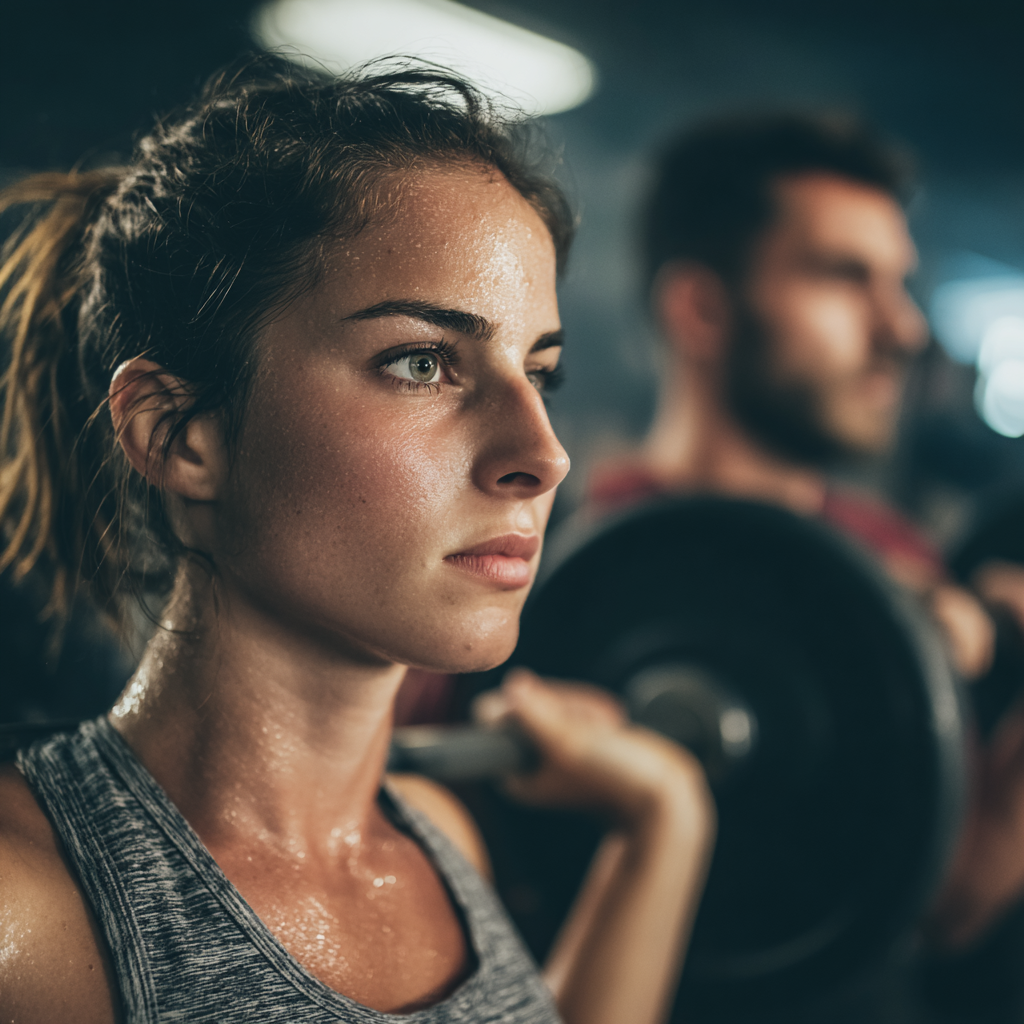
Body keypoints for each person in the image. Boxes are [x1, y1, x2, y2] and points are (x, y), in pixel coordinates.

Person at [0, 59, 716, 1024]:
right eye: (422, 363)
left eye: (538, 373)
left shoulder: (445, 843)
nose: (542, 456)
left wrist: (665, 818)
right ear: (178, 434)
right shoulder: (28, 911)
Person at [590, 111, 994, 682]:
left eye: (897, 283)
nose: (904, 329)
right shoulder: (551, 563)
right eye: (845, 276)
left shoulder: (897, 560)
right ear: (700, 309)